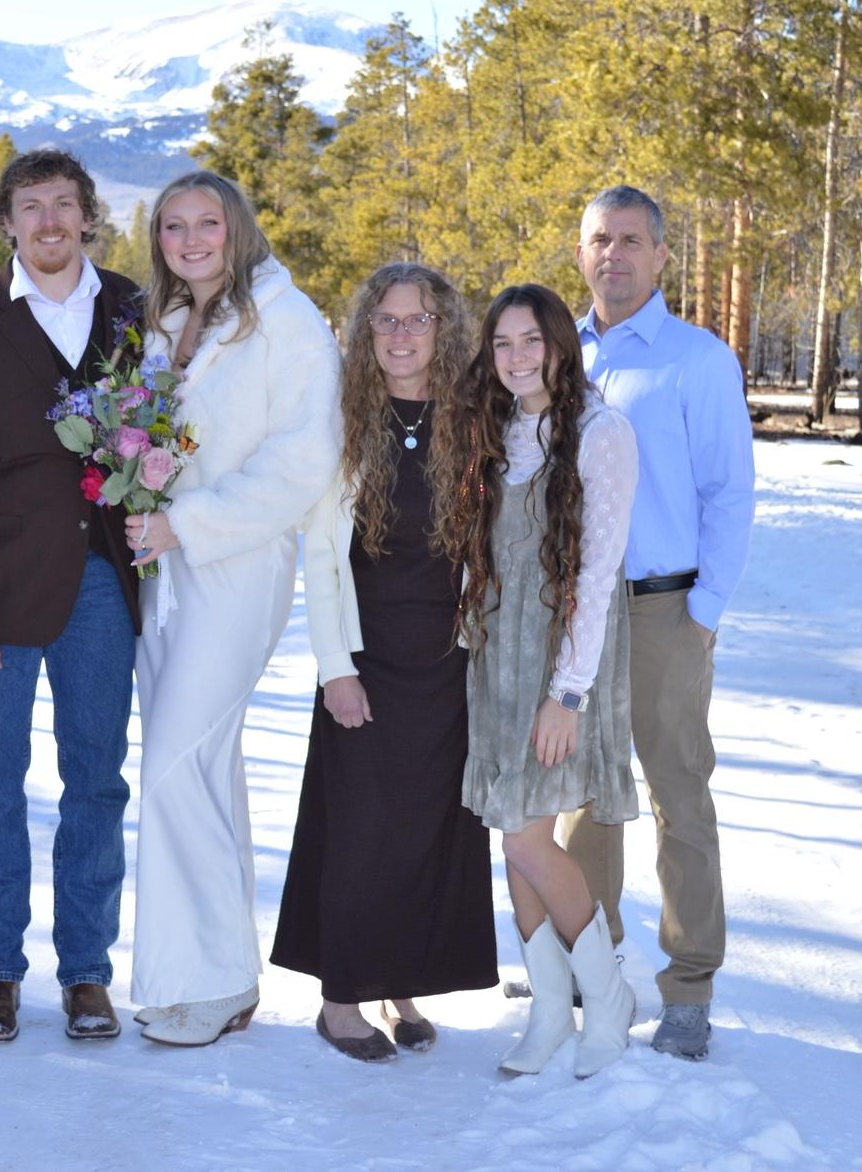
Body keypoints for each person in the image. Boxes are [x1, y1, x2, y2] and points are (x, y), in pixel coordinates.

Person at [0, 149, 142, 1044]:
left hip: (104, 585)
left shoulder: (134, 309)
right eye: (30, 206)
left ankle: (87, 972)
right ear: (6, 224)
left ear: (87, 215)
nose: (49, 221)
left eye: (63, 204)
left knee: (97, 782)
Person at [124, 171, 342, 1047]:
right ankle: (217, 977)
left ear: (236, 228)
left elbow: (305, 458)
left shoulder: (287, 319)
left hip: (236, 565)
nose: (190, 239)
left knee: (176, 764)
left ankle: (205, 983)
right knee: (201, 768)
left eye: (206, 223)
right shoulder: (167, 321)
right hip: (162, 572)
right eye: (172, 225)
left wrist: (186, 523)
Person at [270, 262, 498, 1063]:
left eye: (418, 319)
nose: (402, 334)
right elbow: (322, 556)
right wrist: (335, 666)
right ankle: (340, 1001)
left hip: (446, 662)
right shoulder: (343, 422)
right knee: (361, 832)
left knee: (425, 831)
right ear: (366, 330)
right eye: (387, 320)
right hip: (366, 660)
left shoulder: (471, 420)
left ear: (444, 331)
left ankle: (400, 985)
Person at [560, 185, 755, 1061]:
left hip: (663, 609)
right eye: (601, 239)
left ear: (662, 254)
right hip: (575, 613)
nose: (615, 254)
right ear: (581, 253)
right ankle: (588, 962)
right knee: (582, 795)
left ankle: (689, 987)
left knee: (678, 798)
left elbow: (730, 493)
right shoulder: (557, 352)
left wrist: (702, 613)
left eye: (632, 240)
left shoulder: (697, 360)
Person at [430, 282, 639, 1079]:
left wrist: (568, 693)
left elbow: (596, 572)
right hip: (498, 658)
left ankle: (606, 999)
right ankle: (551, 1009)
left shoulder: (601, 432)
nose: (517, 358)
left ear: (561, 346)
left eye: (532, 341)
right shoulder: (497, 429)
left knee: (526, 837)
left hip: (559, 659)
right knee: (510, 833)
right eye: (503, 344)